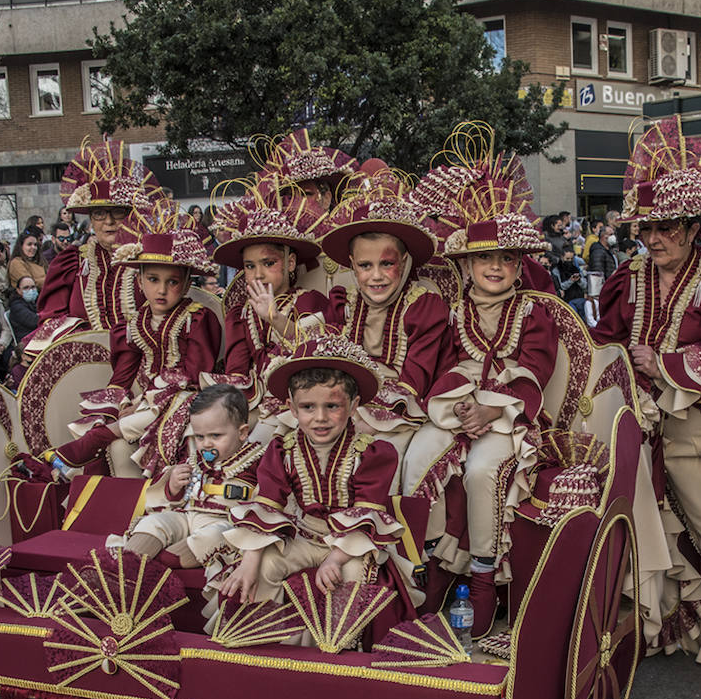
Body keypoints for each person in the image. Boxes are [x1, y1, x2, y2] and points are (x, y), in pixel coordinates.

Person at [590, 116, 701, 671]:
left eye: (667, 227)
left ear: (694, 226)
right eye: (646, 229)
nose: (654, 239)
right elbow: (604, 342)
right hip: (661, 431)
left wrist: (664, 363)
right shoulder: (629, 277)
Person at [400, 162, 557, 635]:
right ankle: (423, 569)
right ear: (466, 265)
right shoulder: (453, 313)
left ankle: (485, 580)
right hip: (460, 406)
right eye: (484, 259)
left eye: (506, 259)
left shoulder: (533, 310)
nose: (495, 267)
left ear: (518, 265)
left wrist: (496, 408)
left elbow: (538, 369)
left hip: (512, 416)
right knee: (416, 458)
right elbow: (444, 366)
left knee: (482, 470)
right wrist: (464, 402)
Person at [208, 338, 415, 645]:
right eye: (307, 407)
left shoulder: (373, 453)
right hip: (305, 536)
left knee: (355, 573)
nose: (320, 417)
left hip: (351, 544)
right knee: (264, 563)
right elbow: (268, 505)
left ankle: (340, 649)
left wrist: (334, 558)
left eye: (332, 406)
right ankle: (265, 641)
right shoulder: (281, 449)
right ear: (291, 408)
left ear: (354, 406)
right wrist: (249, 561)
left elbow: (366, 514)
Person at [41, 225, 220, 475]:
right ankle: (97, 458)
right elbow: (122, 376)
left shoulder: (198, 318)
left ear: (187, 283)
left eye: (173, 282)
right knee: (109, 417)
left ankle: (91, 442)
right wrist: (117, 405)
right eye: (153, 280)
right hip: (147, 402)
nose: (161, 290)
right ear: (139, 280)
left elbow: (196, 374)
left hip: (188, 398)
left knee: (177, 402)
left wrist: (147, 401)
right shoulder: (134, 324)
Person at [307, 171, 449, 466]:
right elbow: (328, 359)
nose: (375, 276)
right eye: (365, 265)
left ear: (405, 262)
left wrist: (367, 415)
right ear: (352, 266)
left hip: (399, 412)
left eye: (387, 264)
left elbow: (415, 381)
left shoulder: (424, 307)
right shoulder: (344, 301)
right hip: (341, 406)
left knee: (374, 456)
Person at [207, 180, 328, 436]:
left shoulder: (308, 301)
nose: (258, 275)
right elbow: (237, 370)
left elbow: (314, 351)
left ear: (291, 262)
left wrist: (273, 316)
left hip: (297, 401)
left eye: (268, 263)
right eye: (250, 266)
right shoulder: (241, 313)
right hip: (253, 398)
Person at [29, 139, 163, 354]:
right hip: (85, 364)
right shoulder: (71, 262)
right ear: (91, 219)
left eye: (117, 212)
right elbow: (51, 319)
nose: (108, 221)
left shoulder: (149, 260)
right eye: (99, 214)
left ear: (131, 215)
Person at [121, 384, 265, 571]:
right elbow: (172, 499)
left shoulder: (258, 460)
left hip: (224, 520)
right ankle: (123, 566)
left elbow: (267, 501)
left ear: (242, 432)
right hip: (187, 516)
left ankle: (160, 565)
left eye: (215, 435)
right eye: (199, 436)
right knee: (152, 523)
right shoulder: (194, 459)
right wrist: (174, 485)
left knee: (214, 536)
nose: (206, 444)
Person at [7, 276, 41, 347]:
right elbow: (34, 321)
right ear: (18, 290)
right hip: (27, 340)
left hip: (38, 335)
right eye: (26, 288)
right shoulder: (16, 306)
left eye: (33, 287)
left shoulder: (35, 302)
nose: (30, 290)